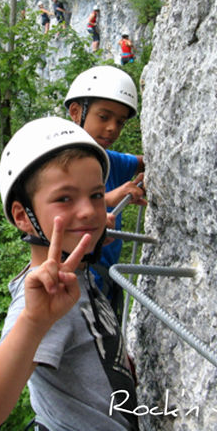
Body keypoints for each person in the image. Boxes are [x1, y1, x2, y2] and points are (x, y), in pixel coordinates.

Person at [0, 117, 139, 431]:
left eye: (96, 195)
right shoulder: (42, 303)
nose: (87, 211)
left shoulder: (78, 275)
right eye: (64, 199)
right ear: (23, 216)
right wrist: (34, 322)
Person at [64, 66, 146, 313]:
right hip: (73, 287)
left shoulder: (111, 161)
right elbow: (57, 210)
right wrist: (109, 198)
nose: (112, 128)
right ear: (77, 112)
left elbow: (145, 160)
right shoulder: (58, 162)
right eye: (104, 117)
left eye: (120, 121)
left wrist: (147, 174)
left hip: (104, 286)